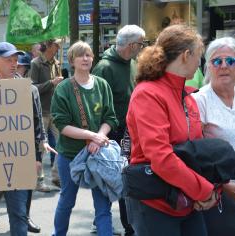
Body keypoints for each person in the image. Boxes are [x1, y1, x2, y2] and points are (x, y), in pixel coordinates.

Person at [125, 24, 218, 236]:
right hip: (155, 203)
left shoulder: (186, 96)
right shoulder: (148, 94)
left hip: (186, 199)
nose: (199, 63)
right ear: (186, 55)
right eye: (198, 56)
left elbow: (194, 151)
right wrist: (203, 190)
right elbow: (161, 157)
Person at [0, 42, 55, 236]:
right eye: (9, 60)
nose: (14, 63)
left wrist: (37, 158)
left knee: (18, 213)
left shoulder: (29, 89)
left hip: (18, 161)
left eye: (16, 60)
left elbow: (37, 126)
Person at [51, 41, 118, 236]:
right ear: (72, 61)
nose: (85, 58)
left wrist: (99, 138)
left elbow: (110, 118)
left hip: (98, 155)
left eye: (88, 54)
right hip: (70, 155)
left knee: (103, 204)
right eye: (80, 55)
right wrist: (92, 137)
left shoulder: (102, 85)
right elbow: (62, 125)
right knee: (67, 201)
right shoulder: (63, 88)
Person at [92, 24, 145, 236]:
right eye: (141, 44)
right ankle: (126, 226)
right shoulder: (104, 67)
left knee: (126, 179)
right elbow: (97, 105)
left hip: (130, 130)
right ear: (131, 45)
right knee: (118, 179)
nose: (142, 48)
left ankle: (126, 224)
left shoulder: (132, 63)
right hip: (113, 132)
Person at [192, 36, 235, 236]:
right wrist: (224, 185)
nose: (224, 66)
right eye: (217, 61)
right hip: (220, 186)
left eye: (230, 61)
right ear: (208, 66)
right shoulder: (199, 101)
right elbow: (194, 151)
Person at [31, 38, 63, 190]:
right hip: (42, 111)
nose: (59, 47)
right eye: (57, 44)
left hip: (56, 111)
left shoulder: (57, 63)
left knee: (62, 142)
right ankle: (38, 181)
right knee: (41, 148)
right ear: (49, 46)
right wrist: (51, 83)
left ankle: (57, 176)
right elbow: (32, 88)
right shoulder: (36, 63)